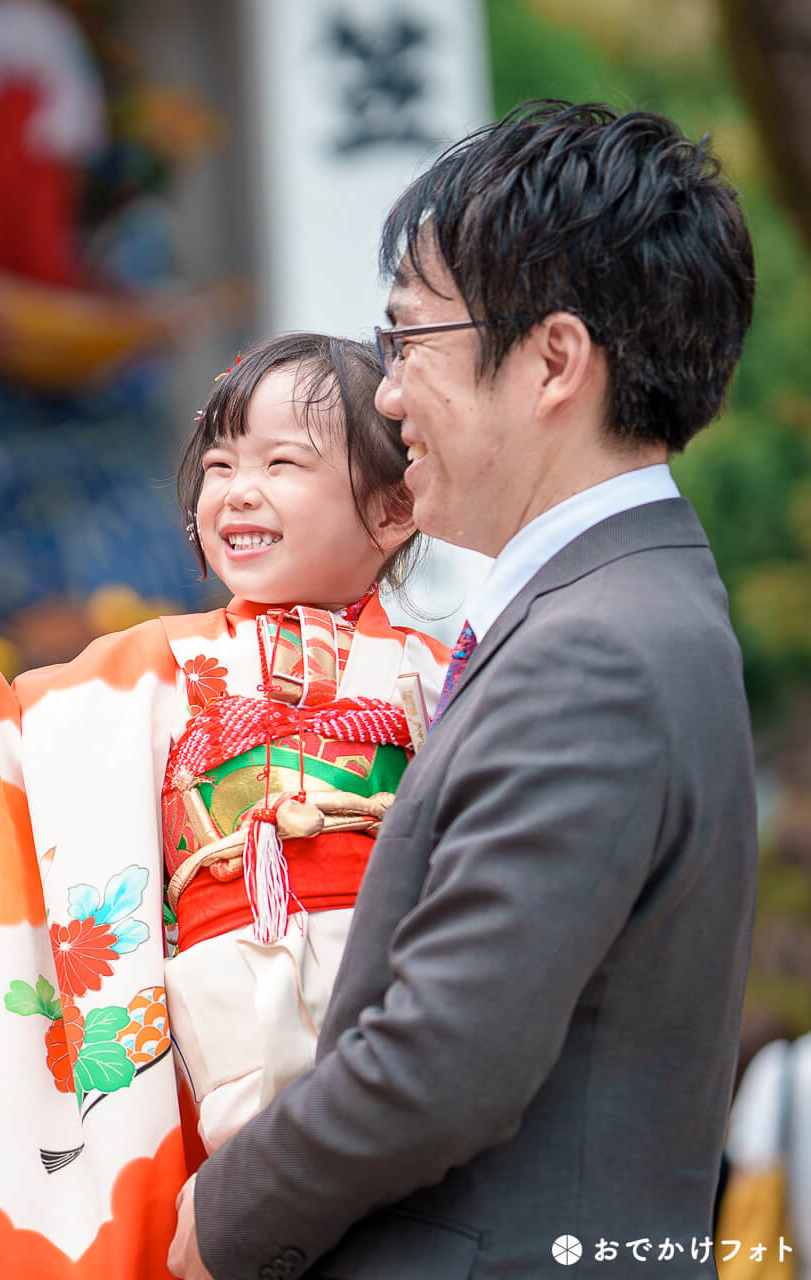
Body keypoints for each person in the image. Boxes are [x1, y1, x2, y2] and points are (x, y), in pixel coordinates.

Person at [171, 101, 758, 1280]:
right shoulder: (629, 601)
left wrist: (218, 1217)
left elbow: (441, 1062)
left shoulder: (593, 646)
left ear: (551, 361)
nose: (386, 397)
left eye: (408, 343)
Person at [0, 333, 449, 1277]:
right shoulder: (150, 663)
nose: (238, 489)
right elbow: (18, 763)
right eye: (219, 464)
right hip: (215, 1031)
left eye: (281, 462)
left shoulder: (443, 673)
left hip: (392, 999)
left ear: (393, 509)